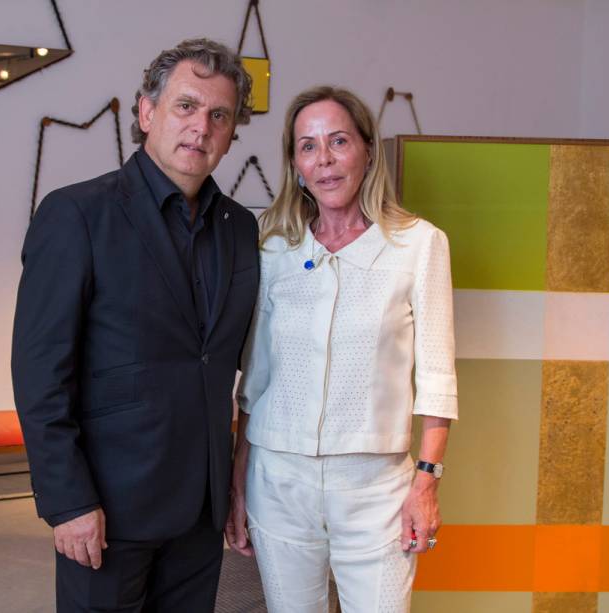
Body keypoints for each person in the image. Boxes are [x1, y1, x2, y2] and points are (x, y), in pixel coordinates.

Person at [11, 39, 259, 612]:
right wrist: (68, 501)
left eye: (219, 115)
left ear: (231, 134)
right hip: (107, 508)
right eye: (186, 106)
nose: (201, 127)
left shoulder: (240, 228)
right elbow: (40, 374)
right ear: (147, 112)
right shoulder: (77, 214)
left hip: (200, 511)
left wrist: (234, 483)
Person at [226, 86, 458, 612]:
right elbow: (254, 380)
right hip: (278, 480)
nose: (324, 160)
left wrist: (427, 482)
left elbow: (438, 377)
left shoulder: (419, 244)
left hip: (377, 487)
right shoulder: (271, 246)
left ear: (368, 151)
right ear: (295, 163)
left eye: (338, 141)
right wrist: (238, 481)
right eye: (308, 146)